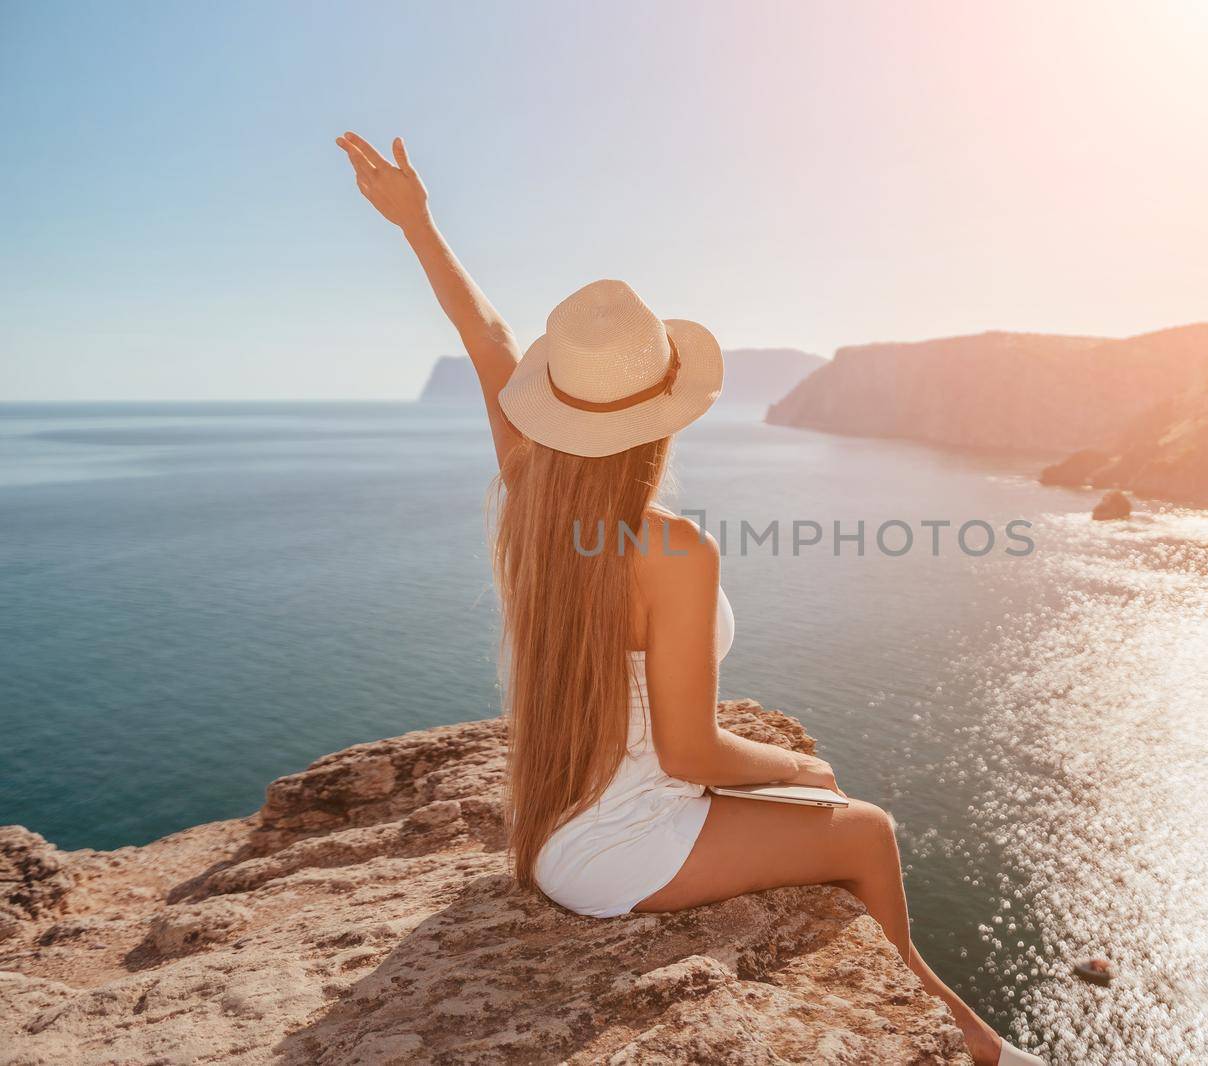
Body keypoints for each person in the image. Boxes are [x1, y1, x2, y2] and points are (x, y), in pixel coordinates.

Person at [335, 131, 1047, 1066]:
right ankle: (955, 1041)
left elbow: (489, 342)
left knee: (829, 816)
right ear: (659, 423)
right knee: (865, 831)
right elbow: (689, 749)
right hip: (625, 848)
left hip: (556, 830)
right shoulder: (673, 549)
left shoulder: (530, 496)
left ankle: (966, 1037)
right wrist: (800, 771)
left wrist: (418, 225)